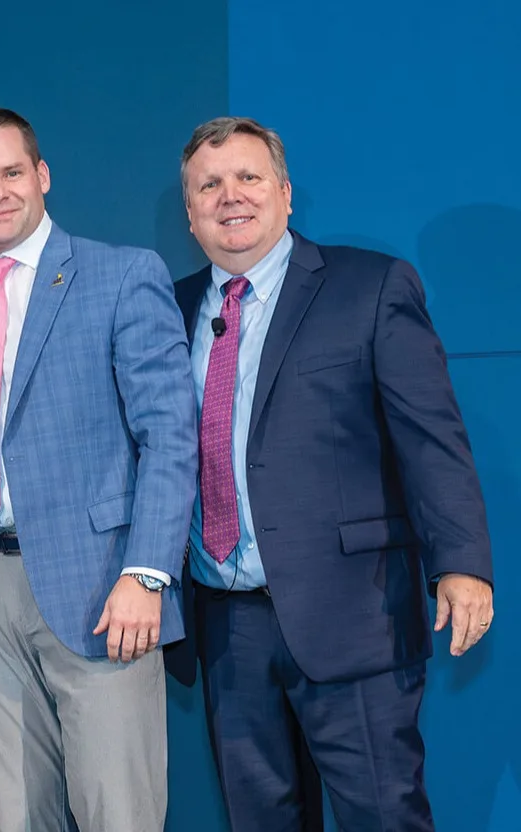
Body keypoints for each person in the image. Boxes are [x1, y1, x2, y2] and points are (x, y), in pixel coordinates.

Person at [170, 115, 495, 831]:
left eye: (248, 178)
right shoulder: (167, 307)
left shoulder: (368, 286)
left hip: (354, 612)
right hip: (225, 621)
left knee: (382, 816)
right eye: (209, 185)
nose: (231, 196)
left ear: (286, 195)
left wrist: (462, 563)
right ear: (188, 212)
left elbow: (430, 438)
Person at [0, 107, 198, 831]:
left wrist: (147, 573)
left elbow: (170, 435)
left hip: (102, 590)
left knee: (119, 814)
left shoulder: (120, 274)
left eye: (11, 172)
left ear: (41, 176)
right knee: (16, 816)